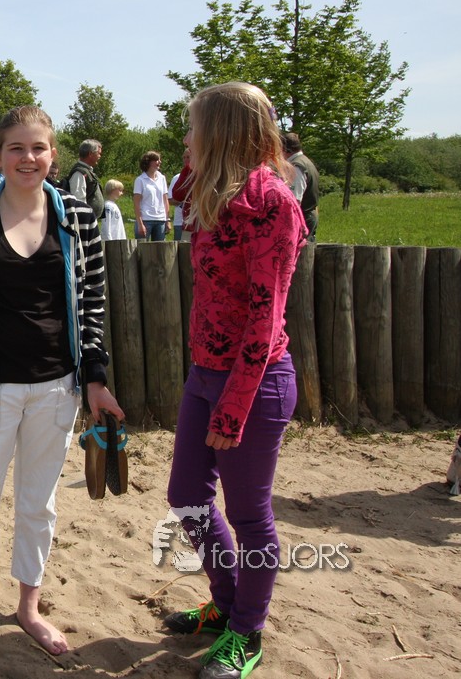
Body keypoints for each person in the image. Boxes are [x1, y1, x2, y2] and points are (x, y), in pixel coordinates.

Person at [0, 106, 122, 659]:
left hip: (58, 388)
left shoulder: (77, 217)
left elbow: (92, 301)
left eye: (38, 148)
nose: (28, 158)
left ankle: (29, 606)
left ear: (53, 155)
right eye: (16, 148)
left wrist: (96, 377)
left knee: (39, 505)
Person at [163, 82, 304, 679]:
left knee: (249, 517)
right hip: (205, 374)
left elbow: (265, 317)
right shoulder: (213, 193)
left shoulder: (272, 202)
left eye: (193, 128)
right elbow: (177, 189)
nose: (184, 138)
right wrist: (198, 164)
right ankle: (225, 603)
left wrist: (234, 407)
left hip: (255, 382)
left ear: (221, 133)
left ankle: (247, 632)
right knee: (186, 497)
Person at [281, 132, 319, 244]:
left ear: (285, 149)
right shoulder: (305, 161)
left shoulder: (296, 166)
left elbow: (294, 200)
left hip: (302, 219)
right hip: (306, 217)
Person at [59, 139, 105, 220]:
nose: (100, 156)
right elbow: (78, 201)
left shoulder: (86, 171)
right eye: (98, 153)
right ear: (90, 154)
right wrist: (84, 221)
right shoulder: (79, 173)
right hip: (84, 222)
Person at [133, 150, 170, 241]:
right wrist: (140, 224)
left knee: (160, 248)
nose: (159, 162)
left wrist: (167, 220)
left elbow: (165, 200)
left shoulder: (162, 178)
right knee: (142, 247)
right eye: (157, 160)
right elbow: (136, 203)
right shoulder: (140, 180)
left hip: (160, 220)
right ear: (149, 162)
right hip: (145, 220)